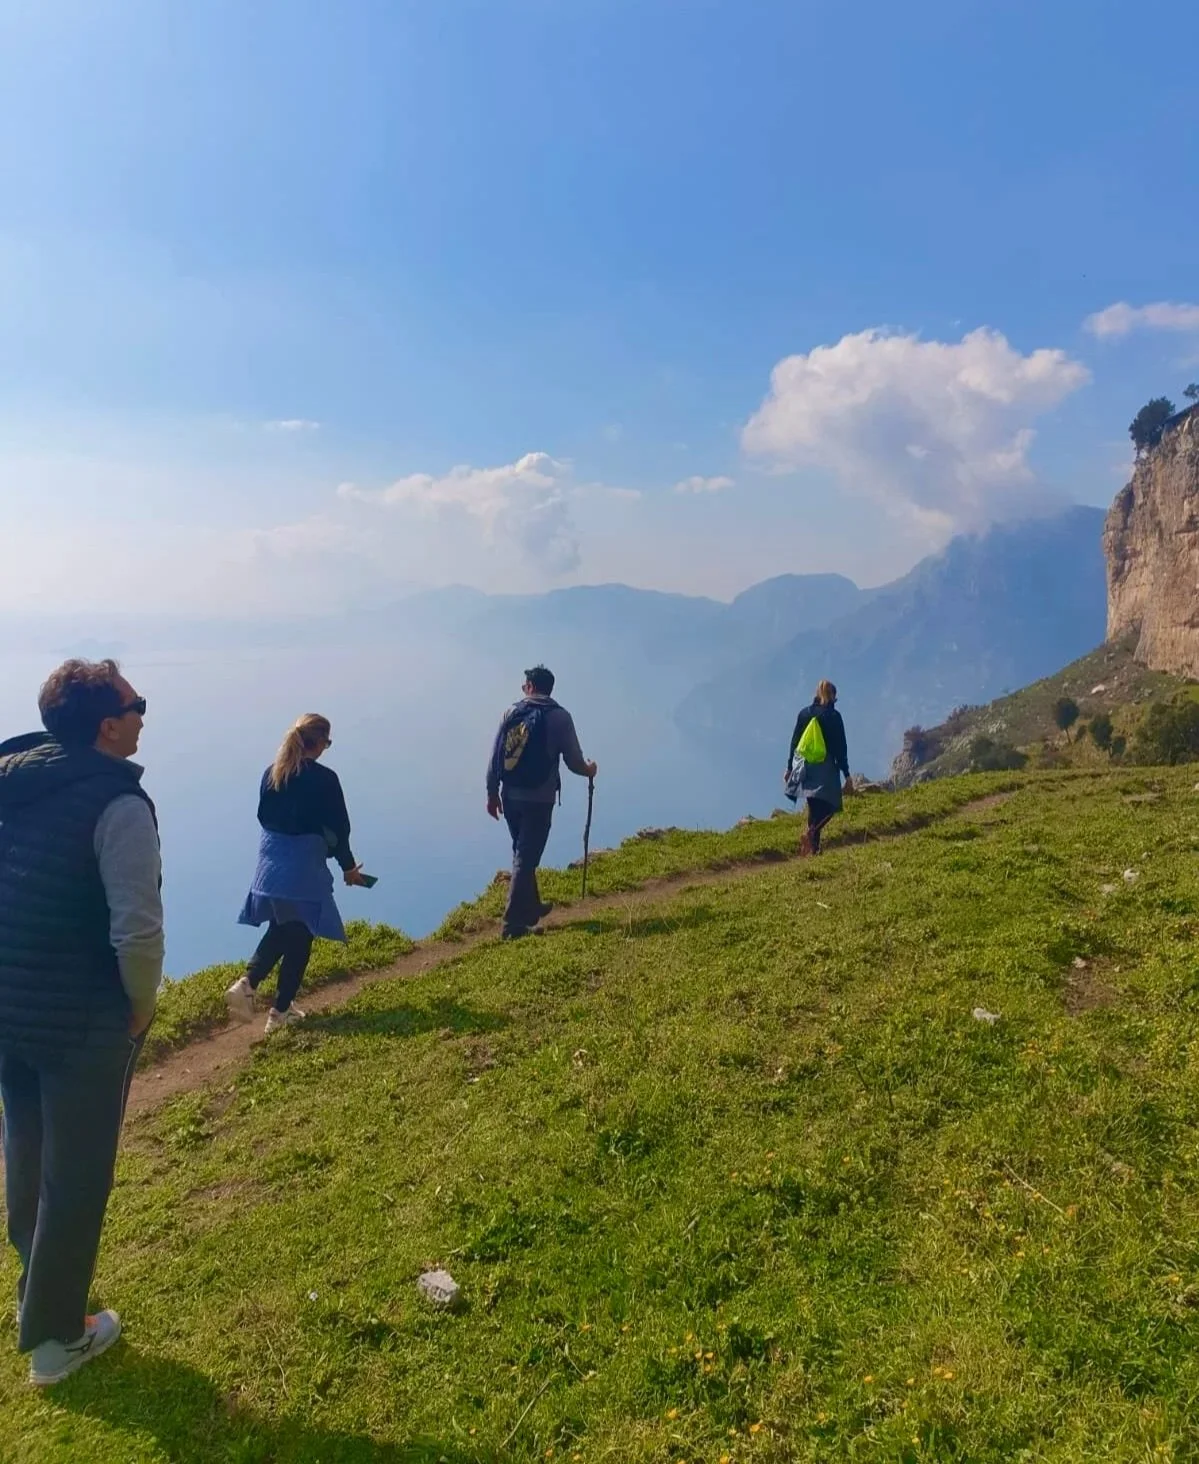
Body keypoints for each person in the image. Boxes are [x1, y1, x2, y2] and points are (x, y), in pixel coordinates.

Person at [0, 659, 163, 1387]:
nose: (142, 715)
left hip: (11, 1004)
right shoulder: (118, 804)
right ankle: (57, 1340)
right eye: (137, 705)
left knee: (27, 1153)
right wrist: (141, 1004)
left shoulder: (16, 781)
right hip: (80, 1019)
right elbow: (137, 930)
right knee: (77, 1177)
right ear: (107, 726)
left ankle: (37, 1290)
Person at [226, 714, 366, 1033]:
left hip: (269, 866)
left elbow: (263, 816)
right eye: (327, 743)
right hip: (302, 867)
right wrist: (348, 868)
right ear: (319, 743)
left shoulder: (272, 773)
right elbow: (339, 830)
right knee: (300, 936)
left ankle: (250, 987)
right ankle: (278, 1011)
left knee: (284, 927)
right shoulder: (325, 779)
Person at [487, 666, 597, 940]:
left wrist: (491, 793)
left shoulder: (511, 712)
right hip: (539, 799)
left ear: (530, 687)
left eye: (524, 685)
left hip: (510, 797)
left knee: (522, 852)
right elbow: (574, 761)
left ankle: (532, 907)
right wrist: (590, 770)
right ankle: (512, 925)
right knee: (525, 857)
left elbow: (495, 756)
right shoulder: (560, 717)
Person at [785, 679, 851, 855]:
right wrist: (846, 773)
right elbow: (841, 747)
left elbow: (794, 741)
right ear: (832, 696)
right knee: (831, 806)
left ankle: (813, 848)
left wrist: (789, 767)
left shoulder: (804, 714)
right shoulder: (834, 717)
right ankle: (811, 835)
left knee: (813, 807)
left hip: (805, 766)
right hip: (825, 768)